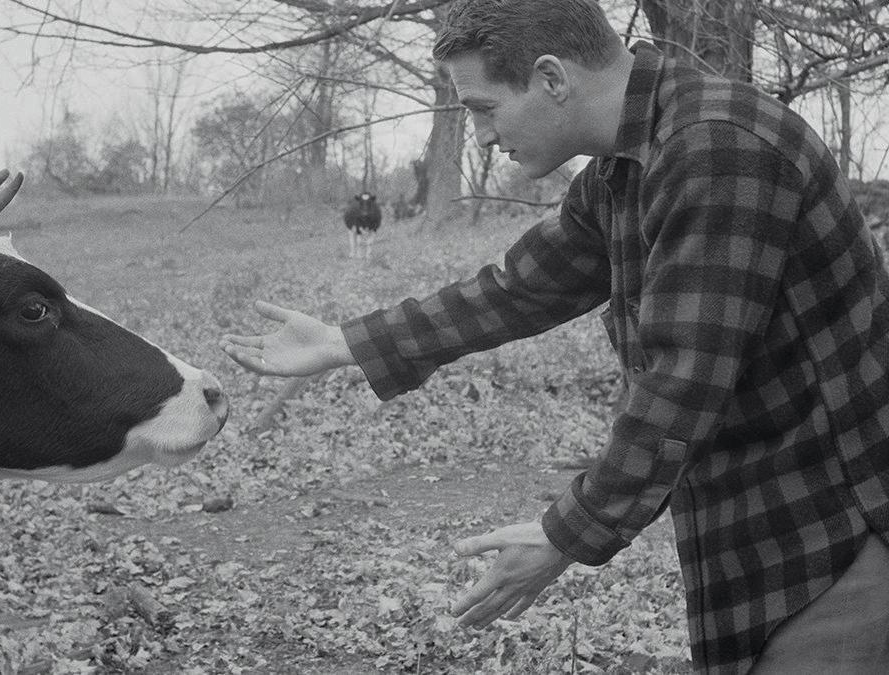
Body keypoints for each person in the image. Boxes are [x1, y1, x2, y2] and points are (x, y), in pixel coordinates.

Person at [219, 0, 889, 672]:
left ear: (550, 78)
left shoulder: (717, 146)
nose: (481, 136)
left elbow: (683, 382)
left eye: (484, 107)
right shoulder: (625, 165)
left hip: (842, 523)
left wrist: (564, 533)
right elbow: (521, 287)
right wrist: (348, 341)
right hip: (757, 524)